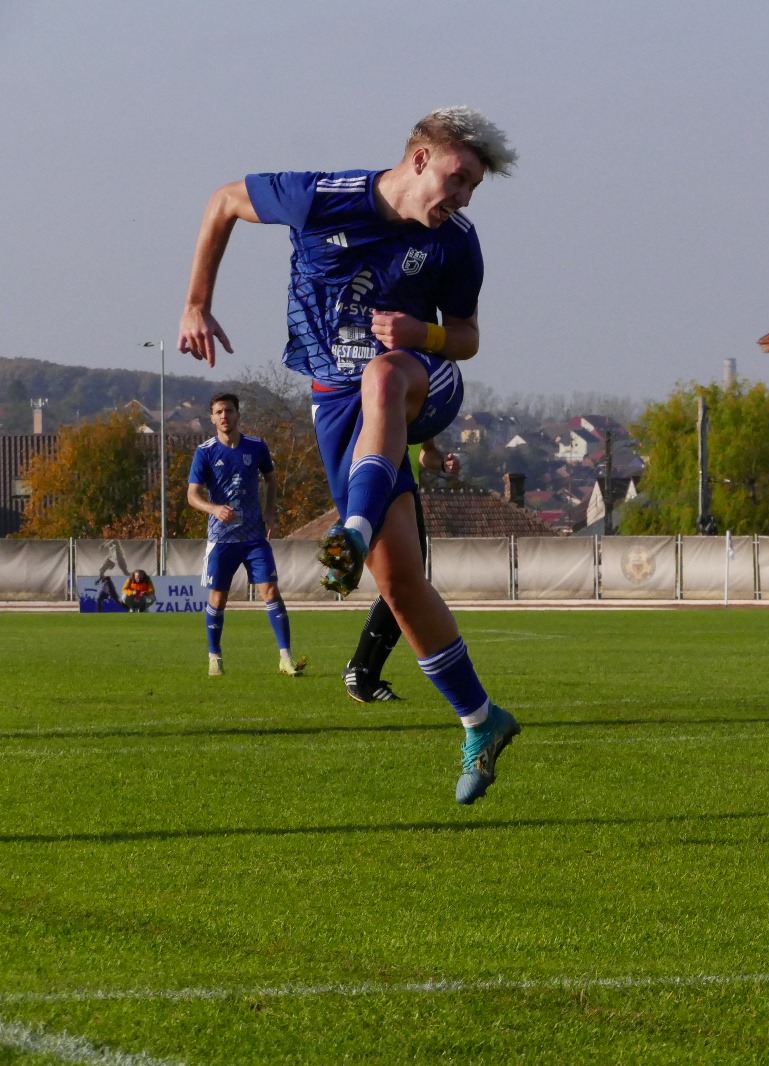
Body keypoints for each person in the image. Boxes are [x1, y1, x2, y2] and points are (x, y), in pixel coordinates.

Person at [178, 107, 521, 805]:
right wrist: (195, 303)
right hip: (339, 403)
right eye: (459, 179)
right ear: (420, 157)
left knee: (383, 374)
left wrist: (420, 331)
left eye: (474, 189)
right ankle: (482, 721)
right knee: (398, 584)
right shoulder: (318, 197)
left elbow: (467, 338)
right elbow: (222, 201)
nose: (463, 198)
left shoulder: (457, 242)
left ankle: (351, 531)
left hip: (422, 378)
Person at [186, 392, 304, 677]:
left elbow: (271, 479)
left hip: (253, 537)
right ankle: (215, 657)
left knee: (271, 591)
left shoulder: (257, 446)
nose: (224, 416)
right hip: (222, 538)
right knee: (218, 598)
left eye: (228, 411)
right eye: (218, 412)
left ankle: (285, 658)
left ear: (238, 415)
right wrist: (213, 509)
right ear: (212, 418)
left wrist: (270, 512)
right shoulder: (205, 451)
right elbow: (192, 495)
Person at [344, 441, 459, 703]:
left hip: (406, 493)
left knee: (408, 585)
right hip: (377, 490)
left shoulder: (419, 405)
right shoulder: (379, 400)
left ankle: (366, 673)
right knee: (401, 584)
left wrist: (442, 464)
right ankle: (360, 669)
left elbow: (425, 452)